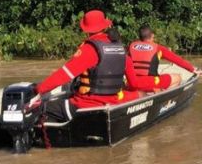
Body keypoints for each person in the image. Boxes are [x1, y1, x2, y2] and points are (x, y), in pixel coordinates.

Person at [34, 10, 170, 122]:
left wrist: (38, 89)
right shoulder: (120, 48)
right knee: (140, 94)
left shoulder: (89, 49)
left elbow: (64, 75)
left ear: (86, 30)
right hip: (114, 101)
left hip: (85, 106)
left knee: (39, 107)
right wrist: (159, 82)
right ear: (105, 26)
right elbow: (133, 82)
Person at [128, 26, 202, 88]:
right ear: (152, 36)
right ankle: (165, 99)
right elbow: (176, 60)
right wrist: (192, 69)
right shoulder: (158, 48)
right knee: (177, 77)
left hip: (133, 82)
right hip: (151, 82)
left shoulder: (131, 47)